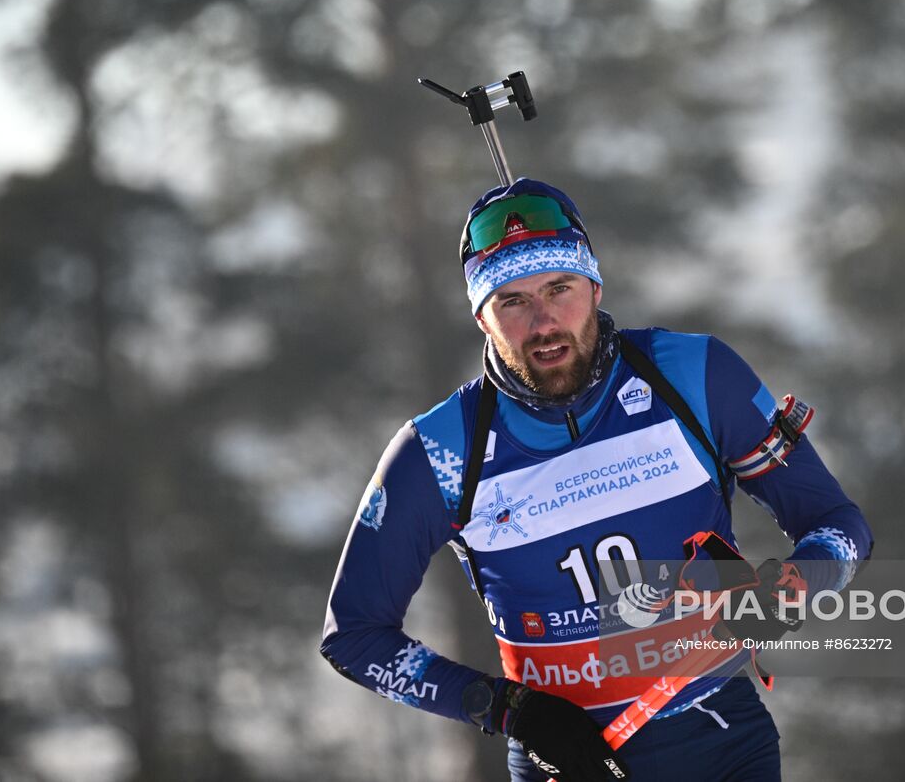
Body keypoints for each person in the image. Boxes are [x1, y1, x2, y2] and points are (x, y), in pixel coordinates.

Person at [321, 178, 872, 781]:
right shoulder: (439, 452)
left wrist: (788, 588)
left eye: (561, 289)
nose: (544, 322)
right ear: (482, 318)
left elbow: (838, 527)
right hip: (567, 763)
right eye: (512, 301)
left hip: (719, 740)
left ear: (595, 285)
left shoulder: (693, 377)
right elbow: (354, 636)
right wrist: (508, 709)